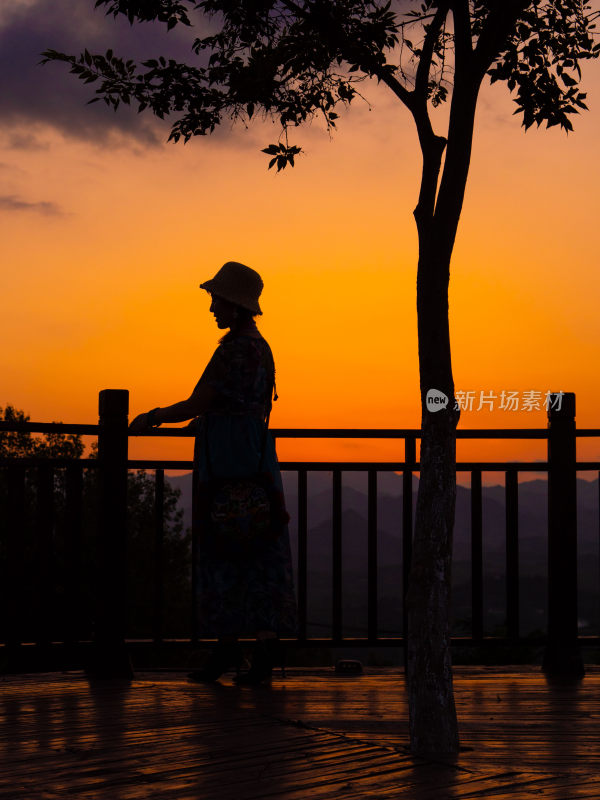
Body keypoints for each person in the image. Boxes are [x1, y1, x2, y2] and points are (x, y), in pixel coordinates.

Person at [129, 261, 297, 684]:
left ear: (235, 306)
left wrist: (154, 417)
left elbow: (198, 402)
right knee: (258, 553)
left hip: (226, 462)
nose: (212, 309)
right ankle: (261, 653)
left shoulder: (234, 349)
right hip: (256, 461)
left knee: (223, 552)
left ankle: (226, 651)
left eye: (217, 301)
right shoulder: (262, 346)